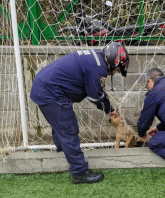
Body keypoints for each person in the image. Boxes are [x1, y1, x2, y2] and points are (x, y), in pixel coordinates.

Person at [30, 42, 129, 184]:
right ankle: (79, 172)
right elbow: (95, 97)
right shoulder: (98, 67)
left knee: (60, 126)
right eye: (117, 69)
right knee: (68, 129)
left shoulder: (97, 57)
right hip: (50, 92)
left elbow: (92, 87)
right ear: (115, 61)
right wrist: (110, 110)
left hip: (44, 87)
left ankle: (63, 156)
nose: (114, 73)